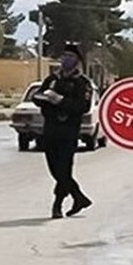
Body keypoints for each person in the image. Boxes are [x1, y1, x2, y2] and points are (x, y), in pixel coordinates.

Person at [34, 42, 94, 219]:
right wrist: (45, 98)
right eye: (64, 56)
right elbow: (37, 96)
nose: (66, 60)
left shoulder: (82, 83)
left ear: (77, 61)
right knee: (54, 170)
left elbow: (83, 106)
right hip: (50, 130)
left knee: (64, 170)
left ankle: (57, 205)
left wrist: (60, 101)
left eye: (70, 57)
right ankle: (79, 197)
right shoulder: (52, 79)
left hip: (68, 132)